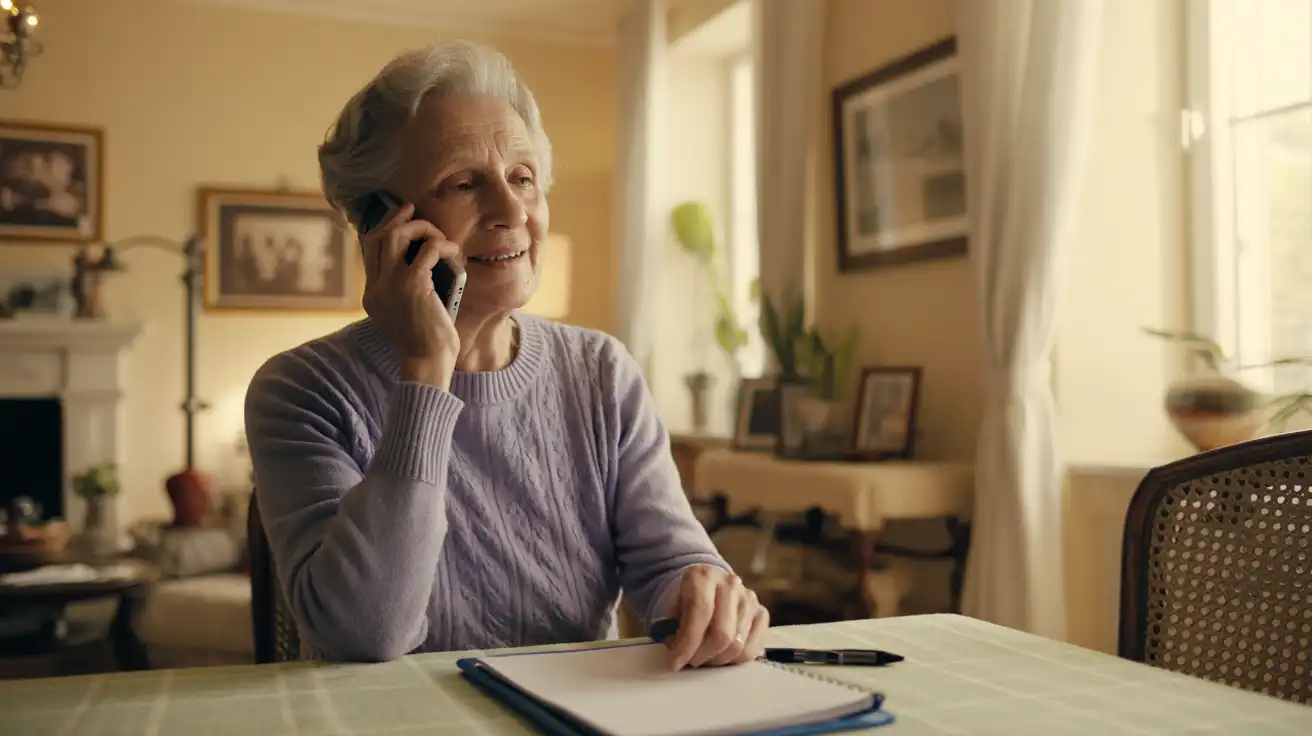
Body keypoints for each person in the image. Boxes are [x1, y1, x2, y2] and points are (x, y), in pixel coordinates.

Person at [244, 40, 769, 666]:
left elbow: (673, 561)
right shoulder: (300, 390)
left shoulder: (601, 372)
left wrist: (703, 590)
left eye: (522, 178)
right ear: (379, 223)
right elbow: (362, 635)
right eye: (464, 183)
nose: (512, 209)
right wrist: (426, 370)